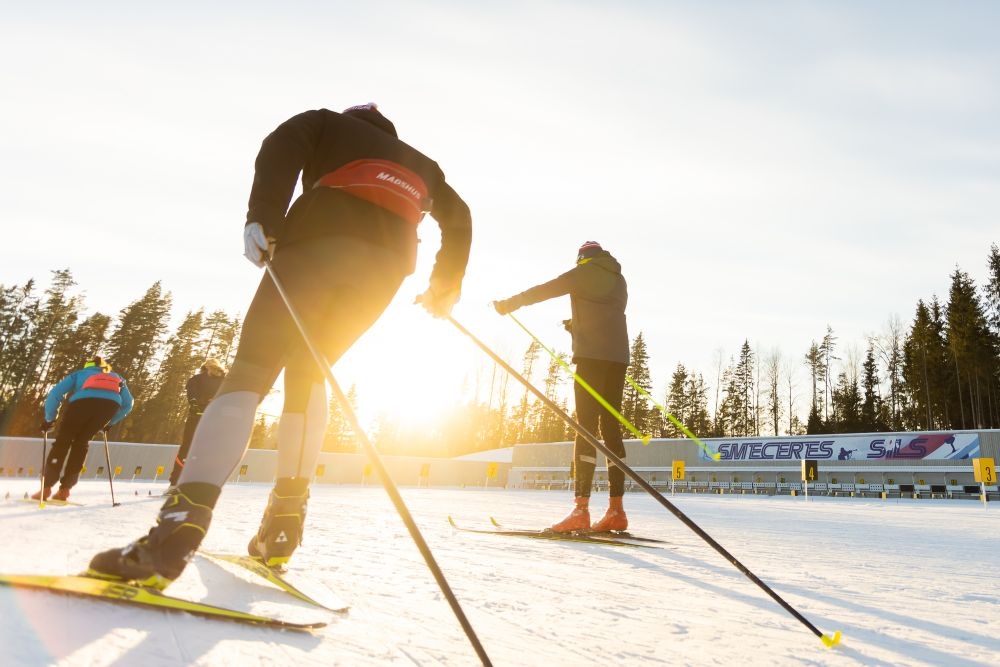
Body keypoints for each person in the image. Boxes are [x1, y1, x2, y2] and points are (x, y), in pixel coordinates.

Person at [89, 103, 472, 589]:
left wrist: (263, 217)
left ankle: (176, 533)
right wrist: (446, 284)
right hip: (388, 262)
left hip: (320, 236)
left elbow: (281, 145)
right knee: (311, 371)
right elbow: (459, 217)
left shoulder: (326, 122)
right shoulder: (424, 164)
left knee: (251, 368)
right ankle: (282, 530)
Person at [493, 241, 629, 533]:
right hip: (618, 359)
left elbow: (545, 289)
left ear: (582, 258)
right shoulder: (619, 279)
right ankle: (616, 510)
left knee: (586, 428)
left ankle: (581, 510)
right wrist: (577, 327)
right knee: (612, 429)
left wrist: (509, 304)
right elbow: (606, 313)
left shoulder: (581, 273)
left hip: (591, 359)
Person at [34, 356, 134, 501]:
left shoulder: (80, 374)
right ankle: (65, 490)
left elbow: (55, 393)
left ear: (88, 365)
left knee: (63, 441)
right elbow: (128, 403)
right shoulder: (116, 377)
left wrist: (50, 419)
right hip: (109, 407)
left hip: (81, 404)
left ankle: (46, 488)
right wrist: (109, 423)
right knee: (81, 443)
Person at [165, 358, 227, 492]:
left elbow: (192, 396)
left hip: (196, 417)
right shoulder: (225, 382)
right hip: (216, 419)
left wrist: (197, 405)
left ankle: (175, 483)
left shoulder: (197, 379)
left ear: (204, 367)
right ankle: (203, 484)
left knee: (186, 448)